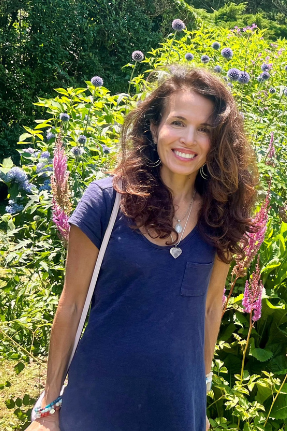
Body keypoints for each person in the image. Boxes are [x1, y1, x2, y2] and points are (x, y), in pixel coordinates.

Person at [27, 65, 259, 431]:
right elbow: (71, 303)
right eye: (178, 122)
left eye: (204, 129)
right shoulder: (106, 202)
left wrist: (201, 394)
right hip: (96, 406)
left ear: (217, 142)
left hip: (177, 411)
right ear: (154, 128)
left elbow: (213, 306)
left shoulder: (220, 216)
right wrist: (48, 407)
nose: (188, 139)